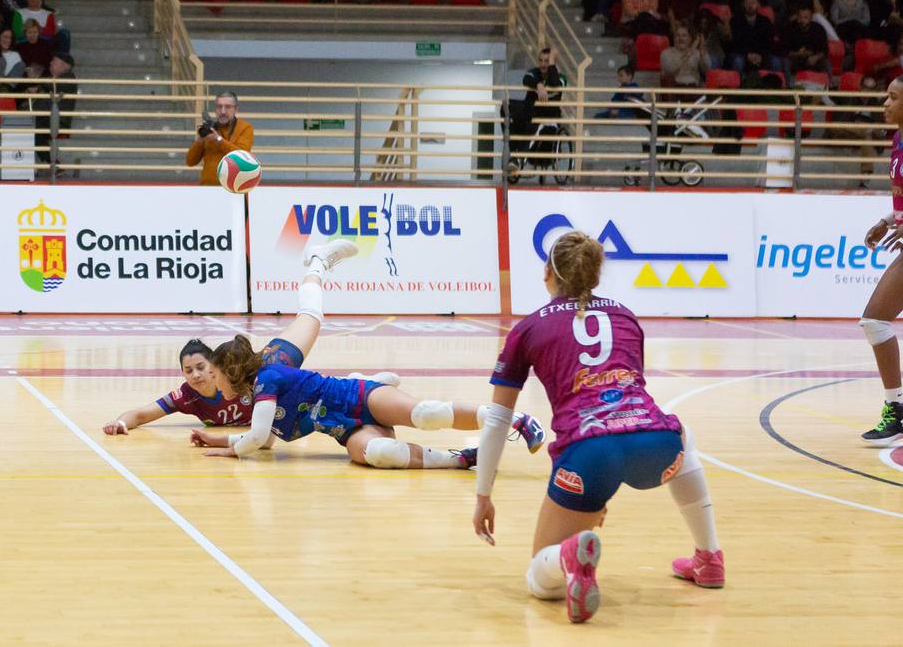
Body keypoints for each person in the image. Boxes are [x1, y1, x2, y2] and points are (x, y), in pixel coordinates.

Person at [471, 231, 724, 624]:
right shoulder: (624, 314)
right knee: (683, 436)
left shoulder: (529, 327)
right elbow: (630, 389)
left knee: (541, 581)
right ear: (594, 274)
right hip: (654, 444)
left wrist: (483, 494)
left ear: (548, 275)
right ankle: (709, 557)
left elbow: (497, 420)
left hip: (590, 453)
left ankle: (569, 558)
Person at [190, 242, 546, 468]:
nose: (215, 386)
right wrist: (219, 438)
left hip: (354, 398)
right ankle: (460, 460)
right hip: (344, 426)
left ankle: (516, 420)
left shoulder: (272, 368)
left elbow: (255, 438)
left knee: (425, 414)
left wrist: (229, 449)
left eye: (216, 378)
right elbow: (264, 438)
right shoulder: (258, 391)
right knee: (379, 455)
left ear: (232, 370)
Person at [103, 244, 401, 433]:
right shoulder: (188, 397)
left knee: (310, 316)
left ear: (216, 367)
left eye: (200, 367)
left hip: (278, 360)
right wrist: (120, 422)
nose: (195, 375)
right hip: (295, 412)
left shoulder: (256, 377)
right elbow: (141, 414)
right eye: (187, 370)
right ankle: (360, 379)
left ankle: (318, 263)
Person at [856, 77, 903, 445]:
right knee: (874, 321)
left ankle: (897, 410)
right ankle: (897, 409)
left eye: (893, 97)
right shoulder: (897, 140)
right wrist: (888, 220)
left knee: (874, 320)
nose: (884, 103)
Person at [185, 91, 254, 186]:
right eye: (219, 106)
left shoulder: (245, 128)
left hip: (233, 188)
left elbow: (241, 157)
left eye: (228, 107)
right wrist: (201, 140)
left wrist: (218, 140)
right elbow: (190, 161)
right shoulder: (210, 129)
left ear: (236, 110)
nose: (223, 111)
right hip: (207, 188)